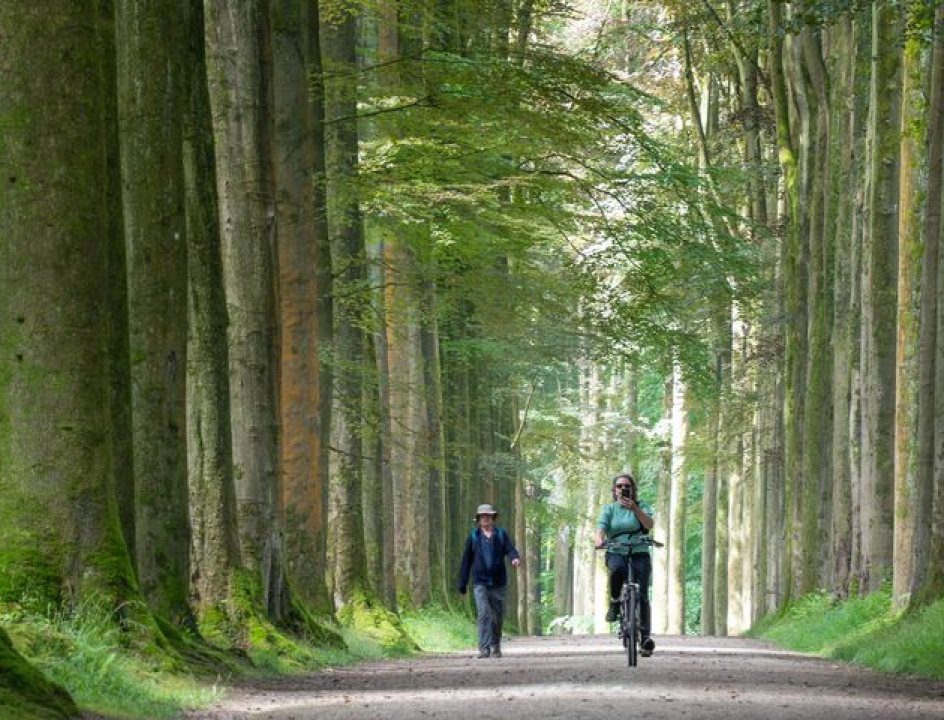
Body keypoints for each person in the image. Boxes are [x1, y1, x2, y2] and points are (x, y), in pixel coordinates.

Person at [594, 473, 656, 657]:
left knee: (643, 594)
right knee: (616, 570)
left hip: (639, 551)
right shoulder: (609, 509)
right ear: (614, 490)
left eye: (626, 486)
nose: (623, 489)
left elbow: (649, 524)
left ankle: (645, 637)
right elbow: (601, 527)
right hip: (616, 550)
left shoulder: (641, 505)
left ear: (633, 489)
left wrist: (635, 509)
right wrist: (599, 539)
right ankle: (614, 602)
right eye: (619, 486)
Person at [457, 503, 521, 659]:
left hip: (498, 582)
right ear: (478, 519)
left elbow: (510, 549)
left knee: (497, 616)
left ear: (493, 518)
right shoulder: (473, 537)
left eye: (488, 516)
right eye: (483, 516)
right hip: (480, 583)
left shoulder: (501, 534)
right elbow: (466, 561)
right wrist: (462, 583)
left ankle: (496, 645)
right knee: (484, 613)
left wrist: (514, 558)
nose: (486, 519)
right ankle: (484, 648)